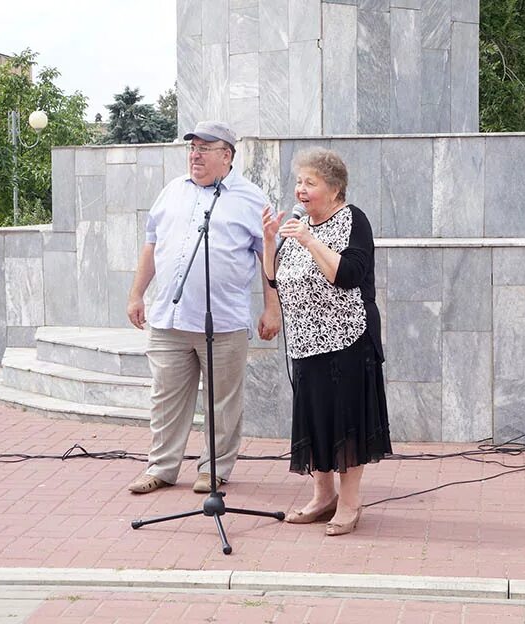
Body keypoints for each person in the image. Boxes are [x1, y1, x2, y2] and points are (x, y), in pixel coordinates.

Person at [126, 120, 281, 495]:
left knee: (223, 402)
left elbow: (268, 256)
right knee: (165, 398)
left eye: (204, 149)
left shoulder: (251, 199)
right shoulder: (171, 193)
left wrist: (271, 308)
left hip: (223, 321)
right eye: (192, 148)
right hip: (170, 318)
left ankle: (214, 469)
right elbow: (152, 245)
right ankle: (161, 468)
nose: (194, 155)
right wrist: (136, 295)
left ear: (226, 156)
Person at [262, 147, 392, 535]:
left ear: (334, 189)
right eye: (299, 182)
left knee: (347, 423)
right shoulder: (299, 226)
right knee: (316, 421)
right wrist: (270, 242)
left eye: (310, 183)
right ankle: (322, 496)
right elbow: (274, 279)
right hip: (305, 343)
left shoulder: (352, 220)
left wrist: (309, 241)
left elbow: (349, 273)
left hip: (348, 341)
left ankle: (350, 503)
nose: (300, 190)